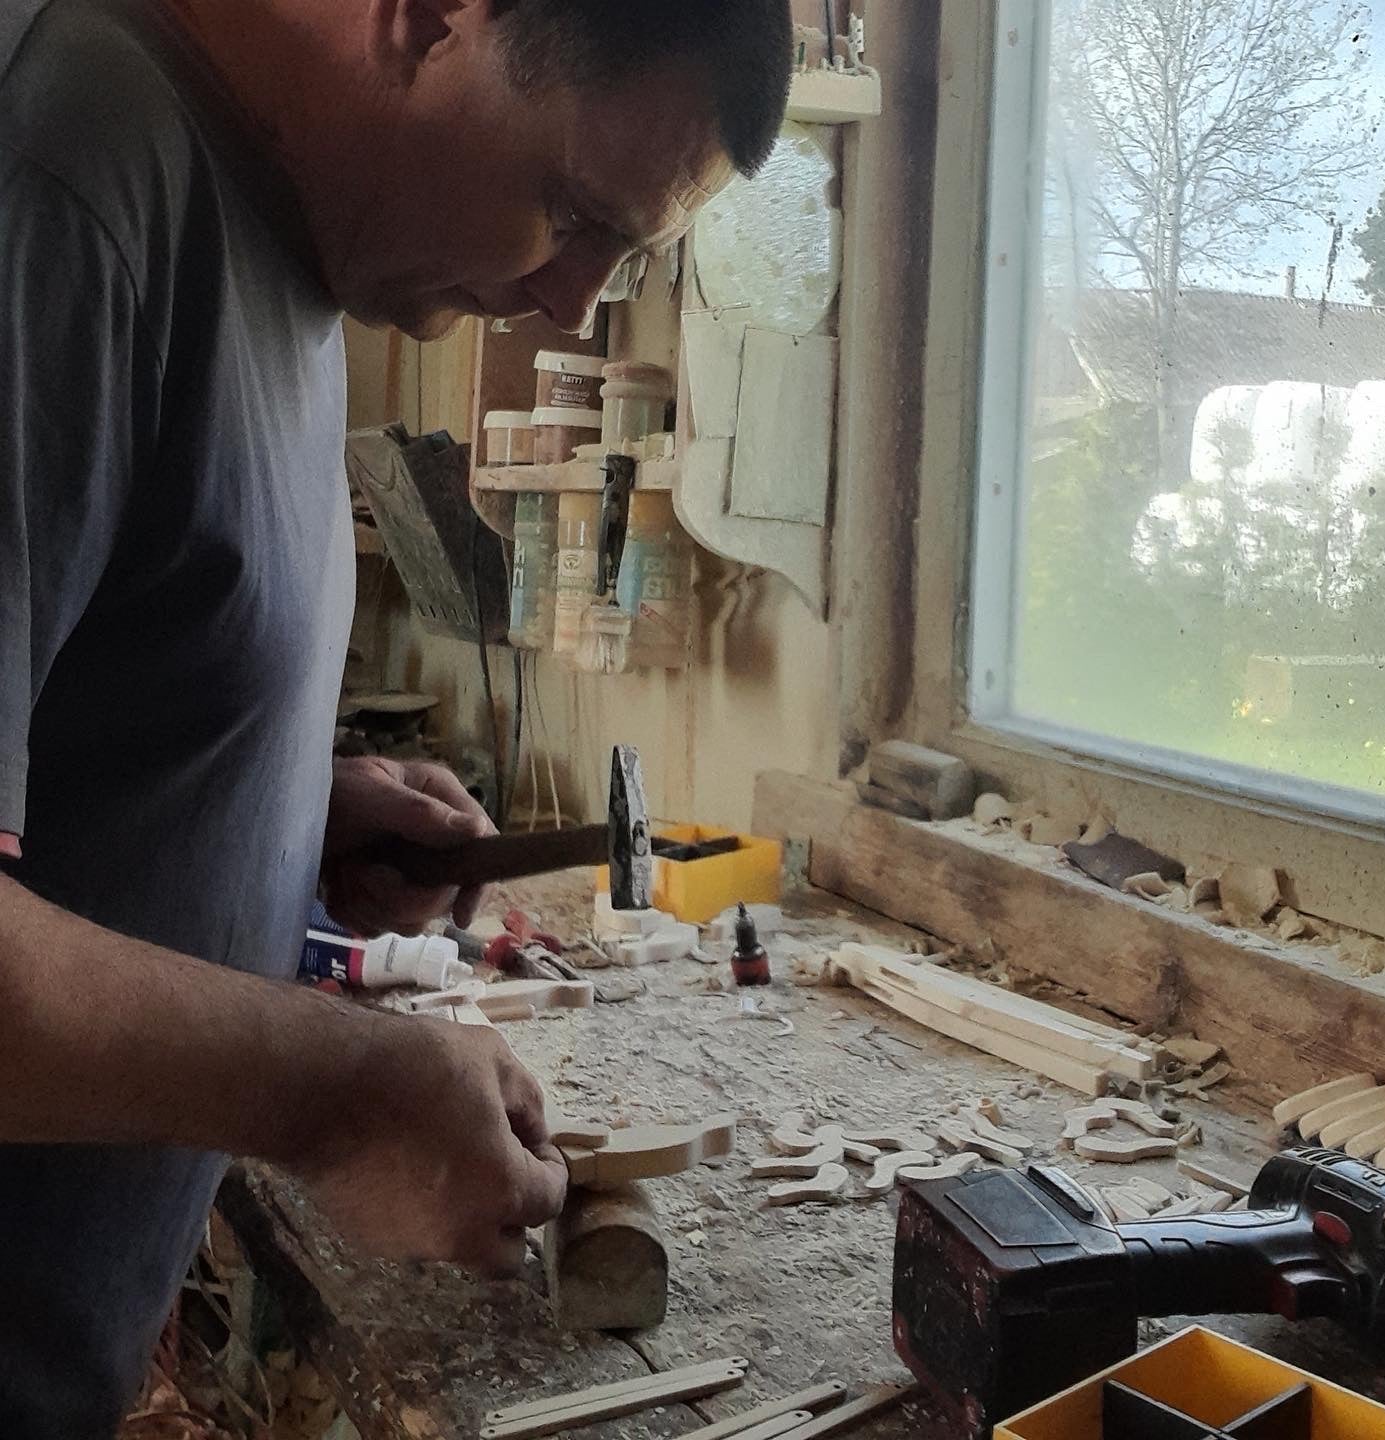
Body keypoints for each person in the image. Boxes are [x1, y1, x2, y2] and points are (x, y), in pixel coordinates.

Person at [0, 0, 791, 1433]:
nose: (571, 297)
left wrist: (285, 809)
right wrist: (344, 1098)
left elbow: (97, 693)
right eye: (568, 209)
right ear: (429, 16)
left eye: (626, 251)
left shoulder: (300, 231)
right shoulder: (66, 181)